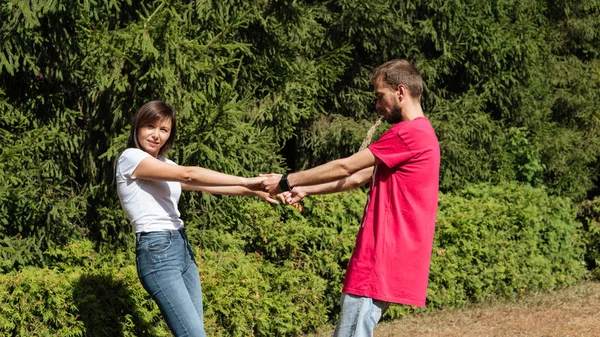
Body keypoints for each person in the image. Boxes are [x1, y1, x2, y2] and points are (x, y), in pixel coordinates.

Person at [261, 59, 440, 337]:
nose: (378, 105)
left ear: (401, 92)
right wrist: (308, 189)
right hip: (385, 260)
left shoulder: (408, 134)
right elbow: (358, 178)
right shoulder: (423, 134)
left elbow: (347, 166)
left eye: (380, 96)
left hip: (379, 260)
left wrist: (287, 179)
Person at [115, 100, 276, 337]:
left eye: (164, 130)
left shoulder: (164, 164)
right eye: (150, 126)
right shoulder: (131, 158)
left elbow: (206, 185)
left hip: (181, 247)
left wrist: (256, 191)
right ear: (138, 126)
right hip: (157, 250)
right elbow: (189, 174)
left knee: (196, 331)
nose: (156, 135)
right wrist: (246, 180)